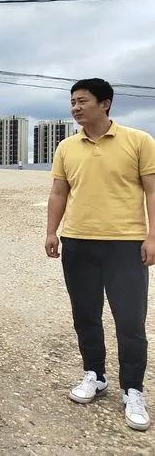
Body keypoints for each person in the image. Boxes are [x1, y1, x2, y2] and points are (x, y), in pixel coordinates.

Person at [46, 78, 155, 431]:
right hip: (78, 242)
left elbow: (152, 191)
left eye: (82, 101)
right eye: (72, 102)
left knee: (130, 321)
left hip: (125, 244)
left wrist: (152, 236)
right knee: (86, 316)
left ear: (105, 103)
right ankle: (95, 374)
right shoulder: (66, 147)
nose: (75, 108)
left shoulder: (138, 141)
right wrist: (52, 231)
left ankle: (133, 390)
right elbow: (59, 192)